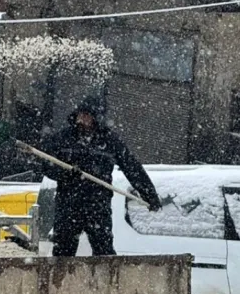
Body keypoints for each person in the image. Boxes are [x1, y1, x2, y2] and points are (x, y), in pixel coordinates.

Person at [38, 96, 162, 257]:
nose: (82, 120)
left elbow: (132, 167)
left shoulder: (109, 141)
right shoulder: (63, 138)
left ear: (96, 118)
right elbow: (46, 164)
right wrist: (64, 174)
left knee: (104, 252)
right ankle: (60, 281)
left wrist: (149, 194)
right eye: (80, 115)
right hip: (68, 204)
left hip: (97, 204)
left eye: (87, 116)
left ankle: (106, 281)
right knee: (63, 253)